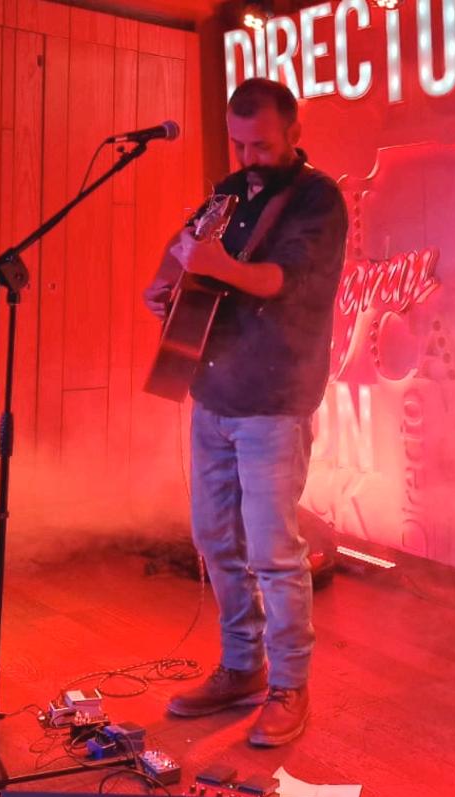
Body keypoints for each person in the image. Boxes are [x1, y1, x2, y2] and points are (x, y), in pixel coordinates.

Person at [143, 78, 348, 747]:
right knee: (214, 540)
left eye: (261, 143)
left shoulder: (318, 199)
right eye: (238, 143)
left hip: (275, 398)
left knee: (274, 552)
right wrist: (166, 284)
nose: (249, 155)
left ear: (292, 132)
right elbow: (185, 251)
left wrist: (214, 263)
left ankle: (291, 685)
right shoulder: (228, 193)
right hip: (214, 391)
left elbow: (276, 280)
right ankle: (241, 666)